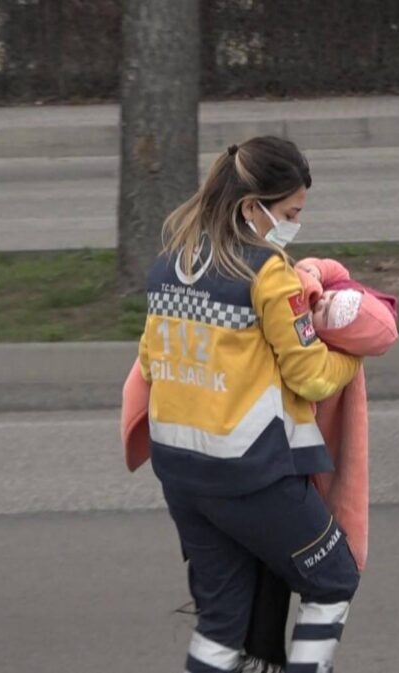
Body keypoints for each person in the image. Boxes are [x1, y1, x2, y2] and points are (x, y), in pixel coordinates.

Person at [136, 135, 362, 673]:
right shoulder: (267, 272)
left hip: (181, 475)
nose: (294, 225)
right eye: (290, 213)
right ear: (250, 208)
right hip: (250, 474)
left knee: (221, 622)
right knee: (333, 579)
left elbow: (148, 363)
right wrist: (352, 356)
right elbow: (311, 376)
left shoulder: (169, 262)